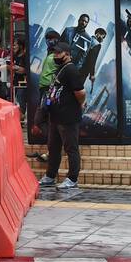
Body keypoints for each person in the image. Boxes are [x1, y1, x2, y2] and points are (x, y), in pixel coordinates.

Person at [32, 41, 84, 189]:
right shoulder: (60, 69)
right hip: (55, 116)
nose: (55, 55)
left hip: (68, 117)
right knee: (53, 148)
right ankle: (50, 175)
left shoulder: (71, 70)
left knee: (71, 148)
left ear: (67, 54)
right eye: (54, 53)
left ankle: (72, 178)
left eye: (58, 53)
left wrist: (79, 104)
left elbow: (80, 92)